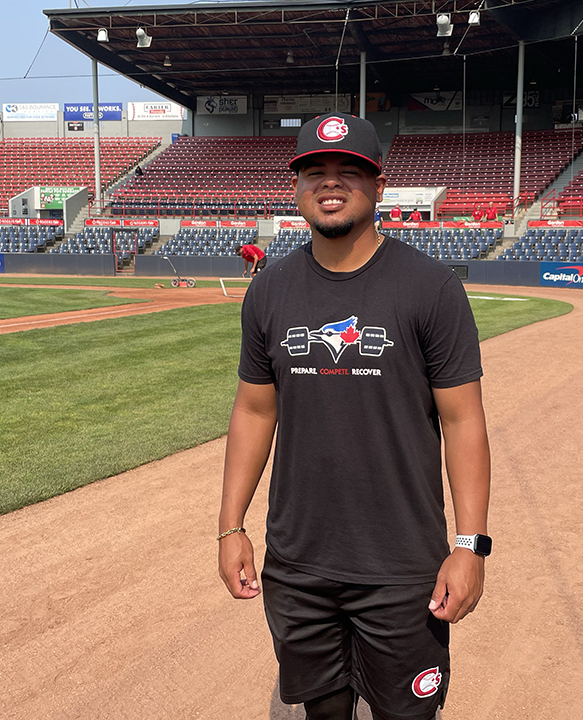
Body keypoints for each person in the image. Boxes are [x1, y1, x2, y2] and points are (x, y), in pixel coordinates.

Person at [218, 112, 492, 720]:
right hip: (299, 563)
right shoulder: (270, 290)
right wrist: (230, 525)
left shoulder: (431, 288)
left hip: (400, 567)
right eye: (315, 171)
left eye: (350, 172)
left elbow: (463, 422)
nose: (330, 184)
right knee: (324, 712)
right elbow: (255, 409)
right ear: (296, 186)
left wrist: (471, 546)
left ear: (379, 187)